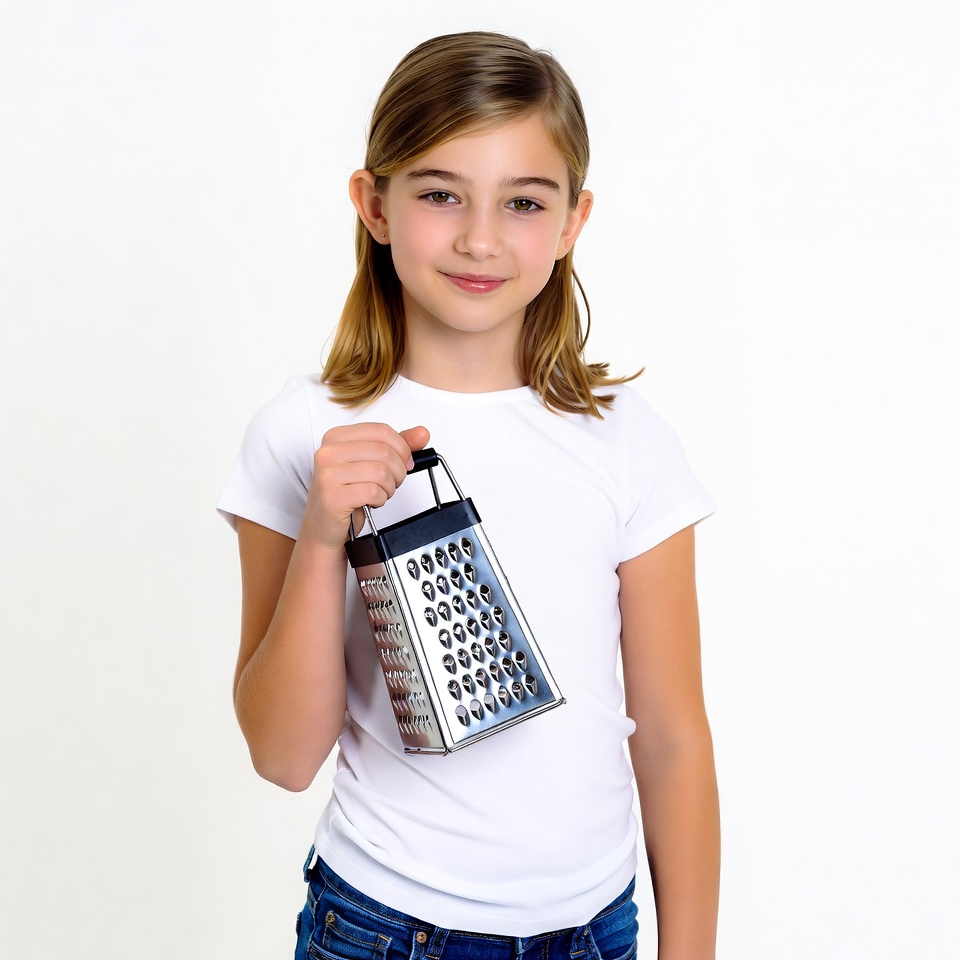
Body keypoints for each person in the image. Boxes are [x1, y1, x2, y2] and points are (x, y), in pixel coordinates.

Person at [218, 31, 720, 960]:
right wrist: (324, 535)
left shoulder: (626, 439)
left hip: (593, 931)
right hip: (381, 927)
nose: (480, 238)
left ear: (571, 221)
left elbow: (672, 738)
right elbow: (283, 758)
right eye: (440, 194)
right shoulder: (300, 434)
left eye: (523, 202)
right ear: (374, 204)